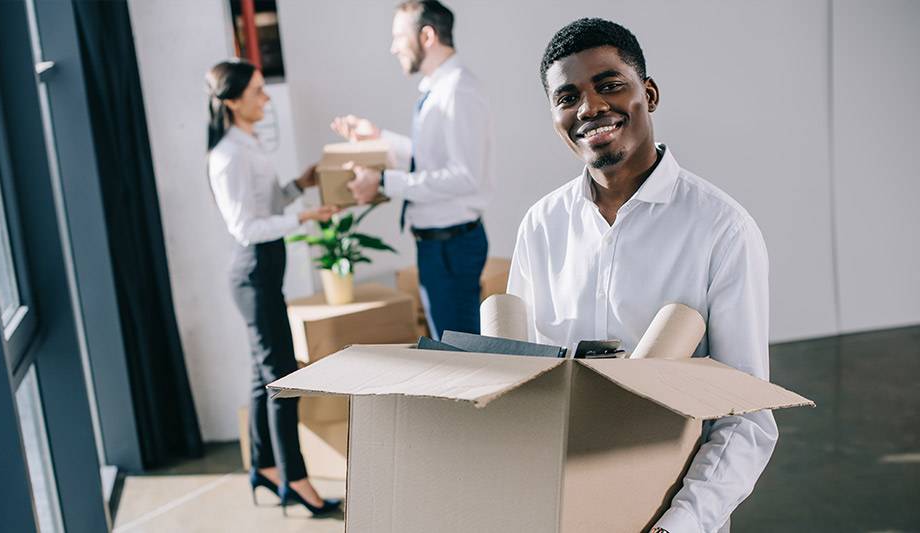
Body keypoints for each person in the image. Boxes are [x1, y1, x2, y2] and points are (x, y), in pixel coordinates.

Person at [508, 18, 777, 533]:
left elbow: (744, 416)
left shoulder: (721, 229)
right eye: (568, 97)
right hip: (561, 508)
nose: (589, 108)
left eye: (609, 85)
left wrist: (678, 525)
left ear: (648, 94)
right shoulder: (541, 226)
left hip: (671, 512)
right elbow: (525, 387)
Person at [205, 59, 341, 516]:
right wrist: (305, 216)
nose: (266, 99)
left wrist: (297, 187)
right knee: (282, 377)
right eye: (258, 92)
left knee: (261, 374)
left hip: (263, 275)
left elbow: (266, 204)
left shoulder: (248, 143)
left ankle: (264, 467)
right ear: (232, 101)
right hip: (254, 276)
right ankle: (296, 481)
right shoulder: (227, 155)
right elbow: (246, 227)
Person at [331, 0, 493, 339]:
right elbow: (430, 159)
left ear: (427, 36)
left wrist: (383, 181)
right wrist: (378, 137)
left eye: (398, 37)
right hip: (439, 245)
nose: (393, 48)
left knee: (460, 353)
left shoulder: (458, 90)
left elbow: (464, 176)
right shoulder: (440, 89)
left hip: (450, 246)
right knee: (452, 348)